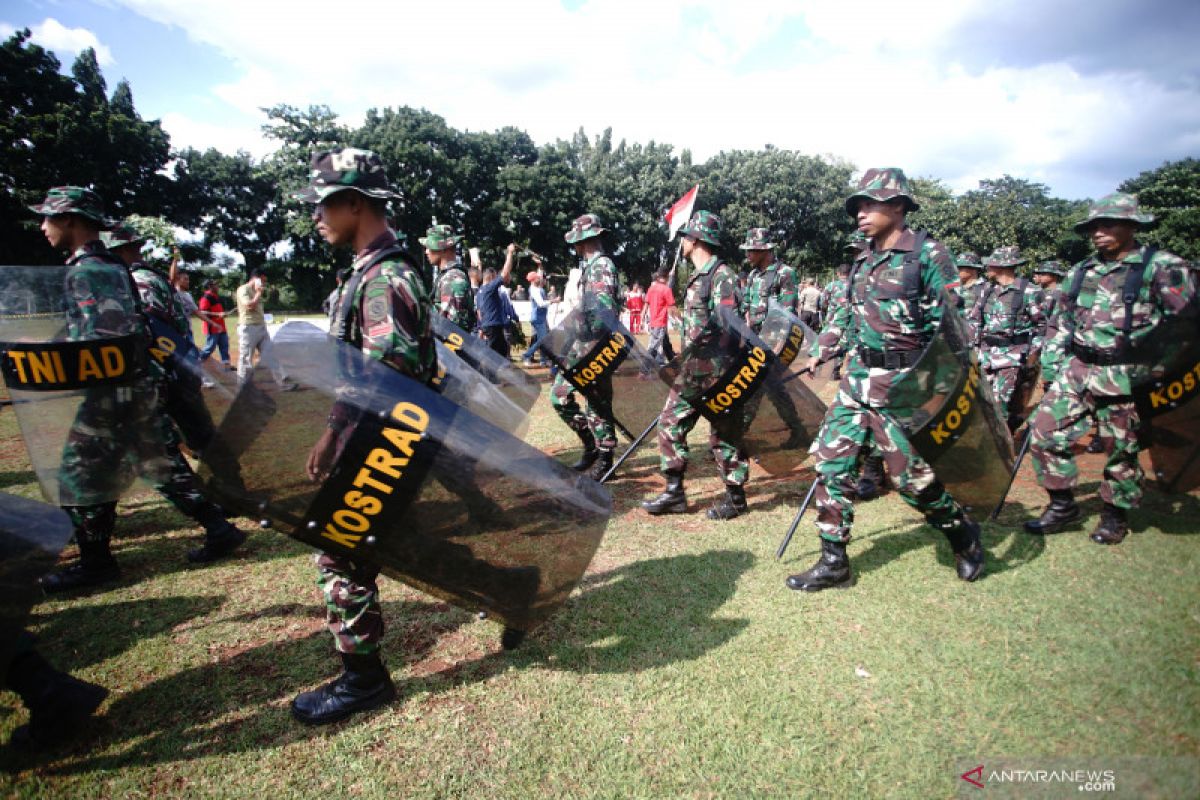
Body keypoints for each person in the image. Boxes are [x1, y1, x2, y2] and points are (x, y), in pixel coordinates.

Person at [29, 190, 245, 593]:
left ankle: (97, 564)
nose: (43, 227)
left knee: (80, 477)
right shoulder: (110, 267)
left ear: (71, 220)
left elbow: (105, 341)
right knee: (160, 466)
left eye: (48, 219)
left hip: (109, 395)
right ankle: (217, 527)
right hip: (130, 390)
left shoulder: (91, 271)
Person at [290, 147, 438, 725]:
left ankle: (364, 681)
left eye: (324, 203)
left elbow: (389, 383)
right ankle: (512, 589)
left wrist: (354, 451)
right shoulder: (371, 272)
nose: (316, 216)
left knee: (339, 557)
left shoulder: (385, 280)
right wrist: (332, 434)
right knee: (384, 547)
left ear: (356, 202)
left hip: (388, 443)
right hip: (377, 438)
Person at [787, 167, 984, 592]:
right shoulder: (862, 259)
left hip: (904, 384)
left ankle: (962, 533)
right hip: (858, 379)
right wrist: (826, 343)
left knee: (910, 478)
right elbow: (845, 316)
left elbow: (952, 328)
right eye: (857, 206)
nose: (860, 213)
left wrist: (937, 389)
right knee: (831, 465)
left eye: (870, 204)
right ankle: (834, 561)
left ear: (898, 206)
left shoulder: (927, 255)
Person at [1024, 192, 1196, 545]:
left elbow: (1187, 324)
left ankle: (1114, 515)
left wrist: (1159, 371)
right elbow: (1062, 320)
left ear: (1132, 226)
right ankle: (1062, 504)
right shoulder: (1081, 270)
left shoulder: (1161, 266)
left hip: (1126, 375)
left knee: (1122, 448)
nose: (1098, 232)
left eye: (1108, 224)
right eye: (1093, 226)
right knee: (1043, 433)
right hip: (1078, 368)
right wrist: (1054, 366)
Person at [641, 211, 752, 521]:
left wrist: (717, 365)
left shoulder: (722, 276)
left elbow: (730, 327)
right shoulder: (699, 276)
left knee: (724, 435)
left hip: (716, 371)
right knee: (671, 423)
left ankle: (735, 498)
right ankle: (675, 492)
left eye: (686, 237)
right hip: (694, 370)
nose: (683, 243)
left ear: (696, 240)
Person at [550, 214, 621, 481]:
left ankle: (604, 458)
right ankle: (594, 447)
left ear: (583, 241)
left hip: (594, 347)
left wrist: (577, 319)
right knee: (568, 397)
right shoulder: (591, 267)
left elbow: (602, 312)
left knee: (596, 402)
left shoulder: (601, 266)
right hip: (582, 345)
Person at [970, 246, 1046, 433]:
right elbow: (974, 321)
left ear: (1004, 266)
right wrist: (973, 348)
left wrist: (1032, 356)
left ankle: (1000, 441)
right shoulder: (987, 291)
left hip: (1011, 356)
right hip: (985, 355)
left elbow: (1041, 327)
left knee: (1000, 402)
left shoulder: (1029, 292)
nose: (987, 267)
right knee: (981, 400)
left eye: (992, 263)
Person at [235, 271, 294, 389]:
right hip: (248, 328)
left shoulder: (257, 291)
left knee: (271, 354)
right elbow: (249, 305)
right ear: (255, 279)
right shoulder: (243, 289)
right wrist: (258, 293)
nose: (263, 283)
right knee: (246, 358)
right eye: (262, 280)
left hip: (261, 326)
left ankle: (282, 383)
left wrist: (258, 293)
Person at [741, 227, 798, 333]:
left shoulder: (785, 273)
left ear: (764, 250)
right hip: (753, 338)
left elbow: (787, 315)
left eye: (751, 250)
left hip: (774, 339)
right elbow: (746, 303)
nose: (747, 255)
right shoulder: (753, 274)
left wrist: (776, 346)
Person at [421, 224, 476, 332]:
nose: (426, 251)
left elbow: (450, 327)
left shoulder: (452, 279)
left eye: (429, 247)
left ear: (442, 249)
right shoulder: (446, 276)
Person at [474, 246, 519, 357]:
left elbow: (479, 312)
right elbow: (504, 274)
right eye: (495, 278)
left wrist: (482, 327)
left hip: (489, 326)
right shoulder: (489, 288)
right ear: (491, 277)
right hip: (493, 326)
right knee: (492, 357)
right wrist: (509, 253)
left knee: (502, 352)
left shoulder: (480, 292)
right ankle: (487, 374)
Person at [645, 265, 677, 366]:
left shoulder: (652, 288)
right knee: (655, 345)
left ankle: (672, 361)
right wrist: (680, 319)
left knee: (663, 342)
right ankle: (645, 368)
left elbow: (646, 303)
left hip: (654, 320)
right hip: (660, 321)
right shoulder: (665, 289)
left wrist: (642, 317)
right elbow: (671, 306)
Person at [198, 278, 233, 369]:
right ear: (210, 286)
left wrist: (222, 314)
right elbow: (202, 313)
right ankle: (197, 363)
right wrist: (218, 314)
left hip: (221, 327)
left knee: (224, 347)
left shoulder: (216, 297)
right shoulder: (206, 298)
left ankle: (226, 367)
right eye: (215, 285)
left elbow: (217, 311)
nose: (218, 286)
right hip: (212, 328)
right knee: (210, 347)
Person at [522, 268, 550, 366]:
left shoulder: (537, 288)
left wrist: (540, 265)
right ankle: (526, 355)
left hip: (540, 318)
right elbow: (541, 304)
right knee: (542, 340)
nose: (540, 279)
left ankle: (543, 360)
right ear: (534, 280)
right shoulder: (534, 290)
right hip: (538, 318)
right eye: (538, 278)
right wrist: (553, 301)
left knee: (542, 340)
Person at [953, 251, 987, 332]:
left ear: (973, 269)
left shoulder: (985, 288)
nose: (957, 270)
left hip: (976, 335)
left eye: (961, 267)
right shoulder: (953, 288)